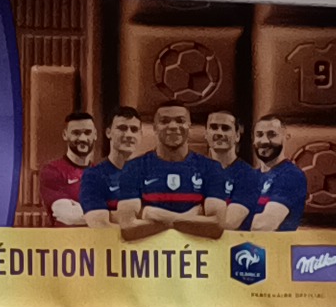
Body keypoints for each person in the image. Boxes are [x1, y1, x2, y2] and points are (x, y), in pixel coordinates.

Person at [115, 97, 213, 238]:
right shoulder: (133, 168)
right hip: (149, 251)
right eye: (165, 121)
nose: (173, 126)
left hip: (197, 252)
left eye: (180, 120)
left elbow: (216, 226)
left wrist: (150, 213)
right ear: (154, 127)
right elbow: (128, 227)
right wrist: (190, 217)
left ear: (189, 126)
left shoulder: (210, 168)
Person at [199, 102, 262, 232]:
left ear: (237, 136)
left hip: (233, 243)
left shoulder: (248, 175)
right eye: (214, 127)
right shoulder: (195, 170)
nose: (219, 133)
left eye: (225, 128)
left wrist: (189, 217)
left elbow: (229, 223)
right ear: (206, 134)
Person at [250, 108, 311, 231]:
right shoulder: (250, 177)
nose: (264, 141)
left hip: (272, 243)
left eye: (272, 134)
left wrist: (227, 221)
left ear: (285, 137)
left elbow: (265, 225)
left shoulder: (291, 176)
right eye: (259, 135)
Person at [41, 110, 101, 224]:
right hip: (66, 236)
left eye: (88, 132)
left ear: (95, 135)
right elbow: (70, 216)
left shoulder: (101, 174)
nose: (82, 138)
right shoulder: (52, 171)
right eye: (76, 133)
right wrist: (105, 214)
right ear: (65, 135)